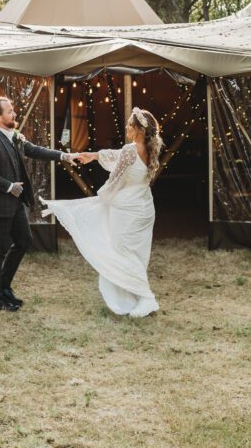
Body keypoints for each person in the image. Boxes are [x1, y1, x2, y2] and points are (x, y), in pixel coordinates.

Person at [41, 106, 162, 318]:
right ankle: (134, 297)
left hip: (127, 210)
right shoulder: (150, 148)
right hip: (144, 208)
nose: (126, 126)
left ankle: (146, 298)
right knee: (136, 254)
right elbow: (120, 156)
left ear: (138, 130)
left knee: (122, 252)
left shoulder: (130, 151)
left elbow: (115, 178)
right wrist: (95, 155)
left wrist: (102, 198)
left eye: (129, 124)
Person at [0, 95, 80, 312]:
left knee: (24, 241)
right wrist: (9, 186)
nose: (14, 113)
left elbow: (34, 150)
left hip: (15, 203)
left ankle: (4, 287)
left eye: (13, 110)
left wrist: (63, 156)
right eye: (10, 111)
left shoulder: (13, 136)